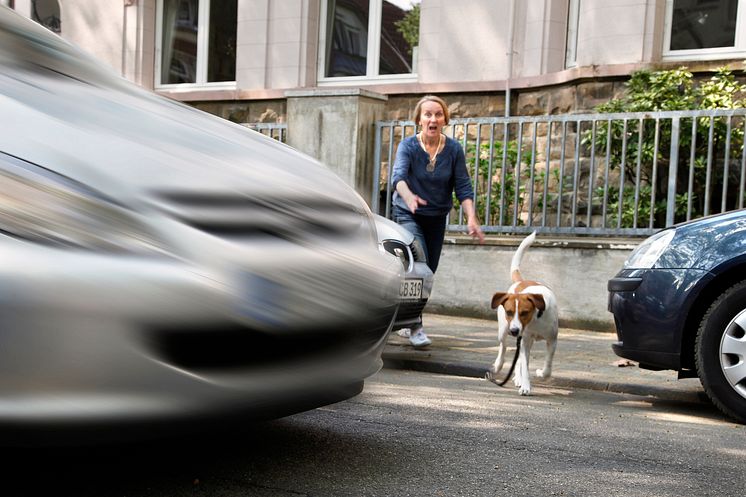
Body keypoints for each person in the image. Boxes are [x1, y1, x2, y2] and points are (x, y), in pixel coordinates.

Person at [391, 95, 485, 348]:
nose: (433, 119)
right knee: (419, 267)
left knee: (428, 272)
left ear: (445, 119)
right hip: (407, 213)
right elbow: (398, 178)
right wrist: (410, 198)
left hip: (436, 217)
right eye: (428, 114)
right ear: (419, 120)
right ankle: (415, 326)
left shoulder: (453, 149)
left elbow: (463, 187)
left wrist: (471, 218)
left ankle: (403, 317)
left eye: (438, 114)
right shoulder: (408, 146)